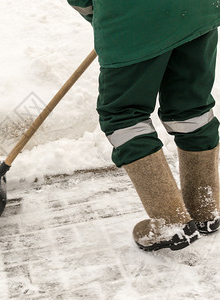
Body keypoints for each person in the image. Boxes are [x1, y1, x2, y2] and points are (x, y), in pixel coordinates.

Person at [67, 0, 220, 251]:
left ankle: (170, 222)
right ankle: (205, 208)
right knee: (191, 107)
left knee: (123, 117)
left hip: (132, 17)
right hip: (197, 11)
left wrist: (103, 16)